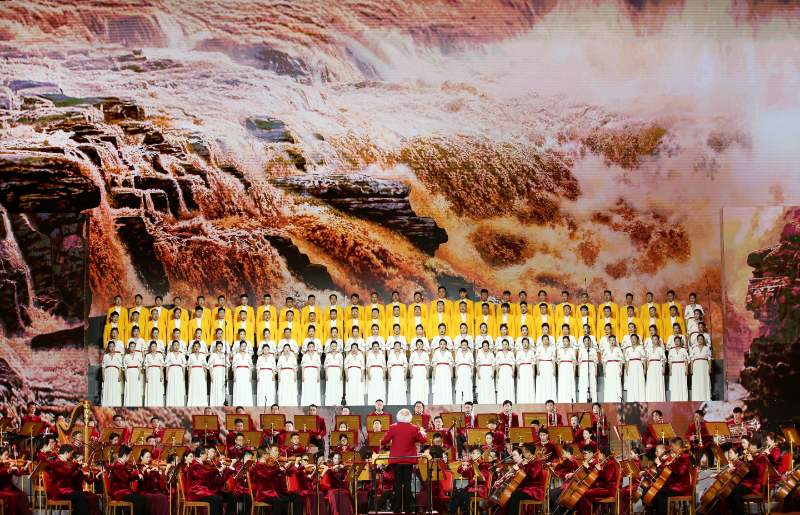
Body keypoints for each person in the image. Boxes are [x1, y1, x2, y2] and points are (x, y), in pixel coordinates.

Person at [380, 409, 426, 515]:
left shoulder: (393, 427)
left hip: (397, 460)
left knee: (397, 484)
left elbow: (383, 442)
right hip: (409, 460)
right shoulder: (414, 428)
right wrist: (423, 432)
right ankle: (408, 508)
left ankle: (398, 508)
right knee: (407, 484)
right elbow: (423, 440)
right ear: (409, 417)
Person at [653, 438, 692, 515]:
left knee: (661, 493)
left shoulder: (683, 457)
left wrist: (670, 464)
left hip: (681, 487)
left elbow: (680, 472)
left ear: (678, 446)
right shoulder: (679, 456)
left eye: (672, 446)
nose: (671, 448)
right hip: (676, 485)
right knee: (660, 490)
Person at [505, 444, 546, 514]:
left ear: (529, 453)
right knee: (510, 494)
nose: (523, 454)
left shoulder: (536, 462)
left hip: (535, 490)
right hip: (527, 488)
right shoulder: (528, 461)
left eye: (524, 452)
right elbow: (523, 474)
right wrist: (513, 474)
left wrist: (525, 465)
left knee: (515, 495)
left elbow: (533, 475)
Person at [449, 448, 491, 515]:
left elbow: (482, 478)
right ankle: (450, 513)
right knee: (457, 494)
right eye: (471, 453)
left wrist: (475, 469)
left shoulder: (483, 465)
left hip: (479, 489)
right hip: (471, 489)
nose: (471, 455)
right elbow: (464, 474)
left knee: (466, 495)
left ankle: (466, 513)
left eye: (473, 453)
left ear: (479, 455)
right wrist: (463, 467)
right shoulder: (471, 464)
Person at [111, 446, 149, 515]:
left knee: (143, 498)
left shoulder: (121, 464)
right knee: (138, 499)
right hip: (120, 493)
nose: (130, 458)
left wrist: (139, 472)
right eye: (129, 456)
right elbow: (126, 478)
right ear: (124, 455)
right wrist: (138, 476)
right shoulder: (118, 465)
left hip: (124, 491)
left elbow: (128, 474)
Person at [549, 445, 581, 515]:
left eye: (563, 452)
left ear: (568, 453)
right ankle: (552, 513)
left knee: (553, 494)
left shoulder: (571, 461)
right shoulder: (570, 460)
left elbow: (566, 475)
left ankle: (560, 513)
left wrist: (556, 473)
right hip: (569, 483)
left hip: (570, 485)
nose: (561, 454)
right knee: (551, 492)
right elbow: (565, 472)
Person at [431, 337, 454, 405]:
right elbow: (434, 364)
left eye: (444, 344)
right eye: (441, 344)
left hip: (446, 371)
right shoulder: (436, 353)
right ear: (439, 345)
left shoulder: (449, 353)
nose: (442, 345)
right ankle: (438, 402)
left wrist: (451, 373)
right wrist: (434, 373)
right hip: (439, 371)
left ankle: (447, 402)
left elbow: (451, 364)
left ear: (446, 345)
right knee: (439, 386)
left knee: (446, 385)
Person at [142, 341, 164, 407]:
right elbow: (146, 366)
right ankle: (150, 404)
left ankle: (158, 405)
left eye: (155, 346)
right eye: (152, 346)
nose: (153, 348)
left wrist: (161, 375)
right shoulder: (148, 356)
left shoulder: (160, 355)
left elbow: (161, 366)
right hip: (150, 372)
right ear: (150, 348)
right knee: (150, 388)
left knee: (157, 388)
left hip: (157, 372)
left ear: (157, 347)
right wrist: (146, 376)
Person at [536, 335, 558, 403]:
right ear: (542, 341)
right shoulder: (539, 349)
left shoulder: (552, 349)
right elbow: (537, 360)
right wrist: (537, 369)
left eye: (546, 339)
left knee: (549, 382)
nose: (545, 341)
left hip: (549, 366)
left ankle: (551, 399)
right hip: (541, 366)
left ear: (549, 341)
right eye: (544, 339)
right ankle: (541, 400)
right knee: (541, 382)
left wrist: (554, 370)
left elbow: (553, 360)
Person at [164, 340, 186, 407]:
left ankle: (179, 404)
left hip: (179, 372)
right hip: (171, 372)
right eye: (175, 345)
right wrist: (166, 374)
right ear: (172, 346)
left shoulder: (182, 355)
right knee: (171, 387)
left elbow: (183, 366)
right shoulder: (169, 354)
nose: (176, 346)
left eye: (177, 345)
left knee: (179, 387)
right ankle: (170, 404)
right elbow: (167, 365)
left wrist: (183, 375)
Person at [625, 335, 647, 402]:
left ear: (637, 340)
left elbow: (644, 359)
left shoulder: (640, 348)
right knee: (631, 382)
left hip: (638, 366)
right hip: (631, 366)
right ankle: (632, 399)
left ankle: (640, 399)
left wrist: (645, 369)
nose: (633, 340)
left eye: (634, 339)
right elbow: (627, 360)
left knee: (639, 381)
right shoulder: (628, 349)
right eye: (632, 339)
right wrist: (627, 369)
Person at [690, 335, 712, 401]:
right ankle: (697, 398)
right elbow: (692, 360)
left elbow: (709, 359)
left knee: (704, 381)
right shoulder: (694, 349)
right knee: (697, 381)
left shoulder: (707, 349)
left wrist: (710, 368)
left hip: (704, 366)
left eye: (701, 339)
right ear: (697, 340)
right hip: (696, 366)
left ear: (703, 340)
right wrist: (691, 368)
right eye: (698, 339)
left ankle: (705, 398)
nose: (700, 341)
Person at [231, 341, 253, 406]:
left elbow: (250, 366)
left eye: (245, 346)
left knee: (246, 388)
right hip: (238, 372)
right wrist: (234, 375)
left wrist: (250, 375)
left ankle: (247, 405)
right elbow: (234, 366)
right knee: (239, 388)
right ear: (240, 347)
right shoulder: (236, 355)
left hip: (246, 372)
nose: (243, 347)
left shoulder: (248, 355)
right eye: (242, 346)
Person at [576, 335, 598, 403]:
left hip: (591, 366)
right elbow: (580, 362)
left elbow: (595, 361)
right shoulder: (581, 350)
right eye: (585, 341)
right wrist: (579, 371)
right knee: (584, 382)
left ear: (590, 341)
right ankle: (583, 400)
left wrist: (596, 371)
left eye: (588, 340)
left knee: (591, 382)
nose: (587, 342)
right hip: (583, 367)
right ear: (583, 342)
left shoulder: (593, 350)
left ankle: (593, 400)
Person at [187, 341, 208, 407]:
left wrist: (205, 374)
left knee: (201, 387)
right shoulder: (191, 355)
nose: (196, 348)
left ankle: (201, 404)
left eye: (198, 346)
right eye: (195, 346)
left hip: (201, 372)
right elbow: (189, 367)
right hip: (193, 372)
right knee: (193, 387)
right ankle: (193, 403)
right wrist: (189, 376)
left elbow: (205, 366)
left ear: (199, 347)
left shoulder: (202, 355)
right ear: (193, 347)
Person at [387, 341, 409, 405]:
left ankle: (402, 403)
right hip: (393, 372)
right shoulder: (391, 355)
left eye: (398, 346)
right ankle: (392, 403)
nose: (397, 347)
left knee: (400, 386)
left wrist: (405, 374)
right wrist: (389, 374)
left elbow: (406, 365)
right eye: (396, 346)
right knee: (393, 386)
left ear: (400, 347)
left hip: (401, 372)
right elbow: (389, 365)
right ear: (394, 347)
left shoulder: (403, 355)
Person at [602, 336, 623, 402]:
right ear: (609, 341)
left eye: (613, 340)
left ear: (615, 341)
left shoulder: (618, 349)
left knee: (616, 382)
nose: (612, 342)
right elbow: (604, 361)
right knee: (609, 382)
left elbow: (621, 360)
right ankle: (609, 399)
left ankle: (617, 399)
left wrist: (621, 369)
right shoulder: (606, 350)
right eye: (610, 340)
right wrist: (604, 370)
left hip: (616, 366)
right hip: (608, 367)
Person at [102, 340, 123, 406]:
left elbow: (120, 367)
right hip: (107, 373)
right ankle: (107, 404)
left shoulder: (118, 356)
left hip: (115, 373)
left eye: (113, 346)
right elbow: (103, 367)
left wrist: (119, 375)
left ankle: (115, 404)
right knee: (108, 388)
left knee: (115, 388)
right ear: (108, 347)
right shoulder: (105, 356)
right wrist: (103, 375)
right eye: (110, 346)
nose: (112, 348)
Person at [515, 337, 536, 403]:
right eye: (524, 342)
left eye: (526, 342)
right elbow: (518, 363)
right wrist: (518, 372)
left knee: (530, 384)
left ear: (528, 344)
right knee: (522, 384)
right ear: (522, 344)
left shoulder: (531, 352)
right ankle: (522, 401)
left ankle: (530, 401)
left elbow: (533, 363)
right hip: (522, 369)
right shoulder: (519, 352)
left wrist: (533, 371)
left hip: (529, 369)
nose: (525, 344)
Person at [557, 335, 576, 403]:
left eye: (566, 341)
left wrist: (574, 371)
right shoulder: (560, 350)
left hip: (569, 367)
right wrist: (559, 371)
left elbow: (574, 361)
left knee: (569, 383)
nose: (565, 343)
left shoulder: (571, 350)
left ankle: (570, 400)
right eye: (564, 341)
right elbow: (559, 361)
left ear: (569, 342)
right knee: (562, 383)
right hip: (562, 367)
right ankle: (562, 400)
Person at [454, 339, 474, 404]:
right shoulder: (458, 354)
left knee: (467, 385)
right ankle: (459, 402)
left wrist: (472, 372)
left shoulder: (470, 354)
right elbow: (457, 364)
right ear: (461, 346)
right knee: (460, 385)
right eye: (462, 345)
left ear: (467, 346)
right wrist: (456, 372)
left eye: (465, 345)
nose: (464, 346)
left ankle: (468, 401)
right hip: (460, 370)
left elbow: (471, 365)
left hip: (467, 370)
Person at [669, 336, 689, 401]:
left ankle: (683, 399)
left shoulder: (684, 350)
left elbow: (686, 361)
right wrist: (670, 370)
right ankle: (675, 399)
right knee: (675, 383)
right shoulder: (671, 351)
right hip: (674, 367)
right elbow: (670, 361)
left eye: (678, 341)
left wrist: (687, 370)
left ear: (681, 342)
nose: (676, 342)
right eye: (675, 341)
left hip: (682, 367)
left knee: (682, 382)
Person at [476, 340, 495, 404]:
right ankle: (482, 402)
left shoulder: (491, 354)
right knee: (482, 385)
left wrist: (493, 373)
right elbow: (478, 364)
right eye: (484, 346)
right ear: (482, 347)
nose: (485, 347)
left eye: (486, 346)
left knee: (489, 385)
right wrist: (478, 373)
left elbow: (493, 365)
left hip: (489, 370)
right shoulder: (479, 354)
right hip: (482, 371)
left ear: (488, 347)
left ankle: (490, 402)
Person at [325, 340, 344, 405]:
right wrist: (326, 374)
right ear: (330, 347)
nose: (333, 347)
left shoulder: (339, 355)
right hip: (330, 371)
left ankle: (337, 403)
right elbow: (326, 366)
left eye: (335, 346)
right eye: (332, 346)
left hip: (337, 371)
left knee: (337, 387)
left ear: (336, 347)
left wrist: (341, 374)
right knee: (330, 387)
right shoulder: (328, 355)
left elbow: (341, 366)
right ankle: (329, 403)